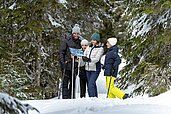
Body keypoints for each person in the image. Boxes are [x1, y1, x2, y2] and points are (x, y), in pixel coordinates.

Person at [59, 24, 82, 99]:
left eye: (77, 34)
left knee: (73, 82)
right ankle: (65, 98)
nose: (76, 35)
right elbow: (62, 52)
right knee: (65, 82)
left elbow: (82, 53)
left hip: (75, 65)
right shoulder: (67, 41)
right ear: (72, 33)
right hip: (67, 64)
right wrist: (62, 62)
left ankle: (72, 96)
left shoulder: (80, 42)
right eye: (74, 33)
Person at [82, 32, 104, 97]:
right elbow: (84, 54)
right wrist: (84, 58)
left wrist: (89, 60)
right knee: (92, 84)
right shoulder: (89, 47)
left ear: (97, 40)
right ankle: (95, 98)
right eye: (92, 40)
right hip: (87, 68)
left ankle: (92, 98)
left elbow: (97, 58)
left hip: (95, 69)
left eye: (94, 40)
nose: (92, 41)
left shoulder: (100, 48)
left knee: (90, 85)